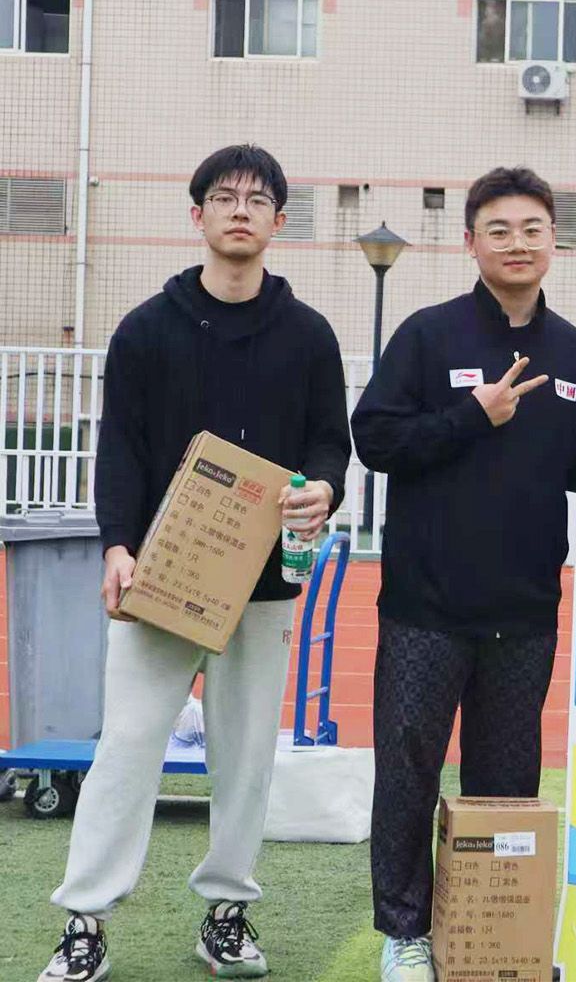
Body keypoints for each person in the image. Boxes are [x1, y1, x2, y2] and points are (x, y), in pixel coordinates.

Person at [39, 144, 351, 982]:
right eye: (224, 197)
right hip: (163, 577)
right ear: (198, 215)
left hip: (266, 579)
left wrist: (323, 488)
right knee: (128, 746)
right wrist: (117, 546)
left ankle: (226, 911)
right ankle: (84, 920)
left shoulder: (309, 336)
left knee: (246, 757)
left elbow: (330, 442)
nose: (240, 210)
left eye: (258, 199)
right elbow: (119, 451)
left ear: (279, 221)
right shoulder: (146, 330)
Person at [351, 167, 576, 982]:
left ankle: (493, 940)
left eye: (532, 229)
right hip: (426, 607)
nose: (518, 244)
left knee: (507, 785)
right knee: (408, 770)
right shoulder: (429, 335)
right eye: (499, 230)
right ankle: (406, 933)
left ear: (553, 241)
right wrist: (469, 417)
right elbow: (375, 439)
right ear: (470, 242)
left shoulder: (575, 353)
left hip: (523, 610)